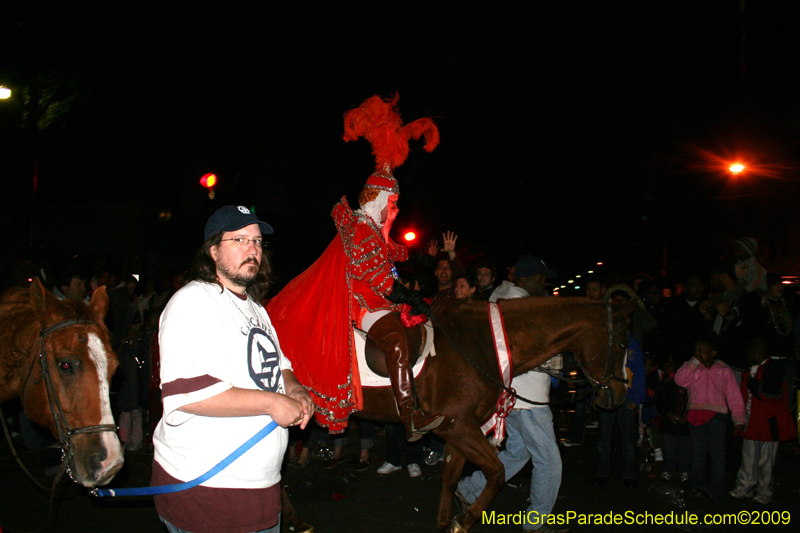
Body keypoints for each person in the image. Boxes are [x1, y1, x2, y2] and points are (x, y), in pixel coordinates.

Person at [266, 94, 441, 440]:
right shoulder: (361, 229)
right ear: (377, 200)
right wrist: (408, 296)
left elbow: (397, 256)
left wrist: (426, 262)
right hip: (361, 302)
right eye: (391, 203)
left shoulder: (374, 232)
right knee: (394, 339)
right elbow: (376, 277)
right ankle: (411, 416)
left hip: (378, 298)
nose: (393, 210)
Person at [151, 205, 313, 533]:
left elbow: (279, 366)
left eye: (256, 241)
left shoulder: (256, 309)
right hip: (208, 490)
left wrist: (294, 389)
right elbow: (187, 393)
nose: (252, 249)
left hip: (262, 487)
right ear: (213, 250)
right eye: (239, 240)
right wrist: (271, 403)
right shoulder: (193, 301)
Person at [457, 254, 563, 533]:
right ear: (528, 278)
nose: (544, 283)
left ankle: (469, 490)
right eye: (541, 278)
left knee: (518, 453)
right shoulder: (520, 303)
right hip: (528, 396)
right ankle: (536, 522)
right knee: (549, 460)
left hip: (510, 395)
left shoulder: (501, 295)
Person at [674, 336, 745, 501]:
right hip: (696, 413)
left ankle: (718, 487)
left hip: (717, 415)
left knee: (717, 452)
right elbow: (680, 380)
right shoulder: (692, 368)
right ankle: (696, 485)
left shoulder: (723, 370)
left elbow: (734, 395)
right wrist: (692, 363)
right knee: (698, 451)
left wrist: (739, 419)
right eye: (696, 351)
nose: (698, 354)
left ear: (713, 353)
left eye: (702, 351)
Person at [730, 338, 797, 504]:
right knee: (748, 457)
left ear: (756, 353)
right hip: (752, 421)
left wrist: (754, 386)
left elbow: (774, 396)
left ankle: (764, 492)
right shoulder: (753, 370)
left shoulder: (773, 370)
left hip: (768, 423)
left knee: (765, 461)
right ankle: (745, 486)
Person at [594, 288, 647, 489]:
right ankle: (603, 472)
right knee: (604, 439)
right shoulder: (604, 342)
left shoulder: (633, 344)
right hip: (608, 396)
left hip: (628, 398)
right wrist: (597, 396)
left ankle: (629, 474)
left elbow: (639, 372)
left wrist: (637, 398)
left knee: (628, 439)